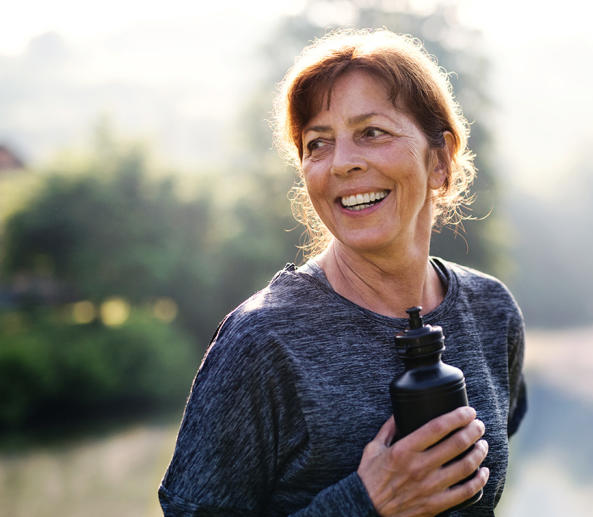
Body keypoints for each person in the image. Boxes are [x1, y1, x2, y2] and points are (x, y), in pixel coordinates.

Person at [158, 29, 526, 517]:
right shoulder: (263, 341)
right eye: (318, 143)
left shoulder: (491, 311)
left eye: (372, 132)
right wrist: (366, 502)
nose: (344, 163)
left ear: (439, 161)